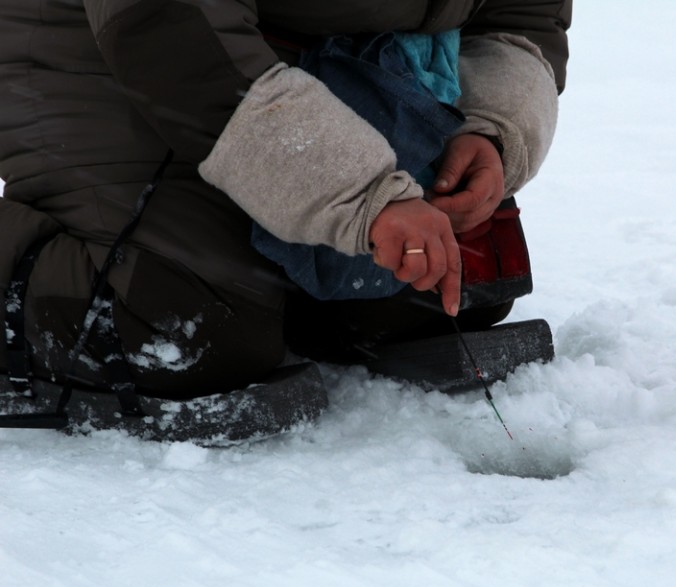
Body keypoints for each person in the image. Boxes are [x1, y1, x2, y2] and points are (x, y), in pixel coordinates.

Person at [0, 1, 571, 424]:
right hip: (123, 36)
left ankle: (280, 287)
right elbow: (165, 24)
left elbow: (523, 8)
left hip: (336, 50)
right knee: (174, 325)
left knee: (446, 281)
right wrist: (357, 192)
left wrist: (492, 127)